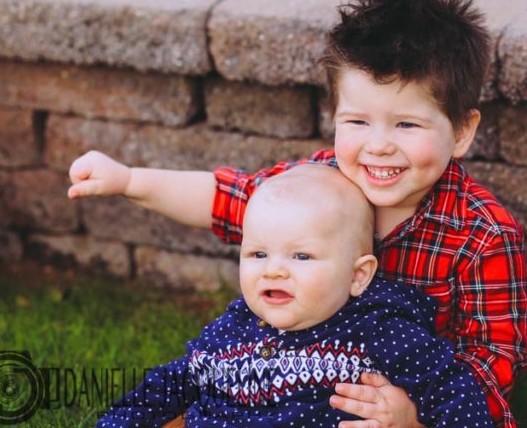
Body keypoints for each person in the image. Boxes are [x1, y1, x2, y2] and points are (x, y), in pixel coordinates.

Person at [70, 0, 527, 428]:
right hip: (284, 372)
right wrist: (128, 179)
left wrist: (412, 416)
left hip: (395, 399)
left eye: (406, 125)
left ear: (462, 131)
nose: (379, 146)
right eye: (358, 122)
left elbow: (493, 360)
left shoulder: (482, 233)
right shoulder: (317, 182)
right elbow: (227, 199)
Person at [95, 165, 493, 427]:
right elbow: (173, 381)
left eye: (301, 256)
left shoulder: (377, 329)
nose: (274, 269)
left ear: (358, 276)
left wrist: (411, 419)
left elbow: (452, 388)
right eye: (258, 254)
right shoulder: (232, 329)